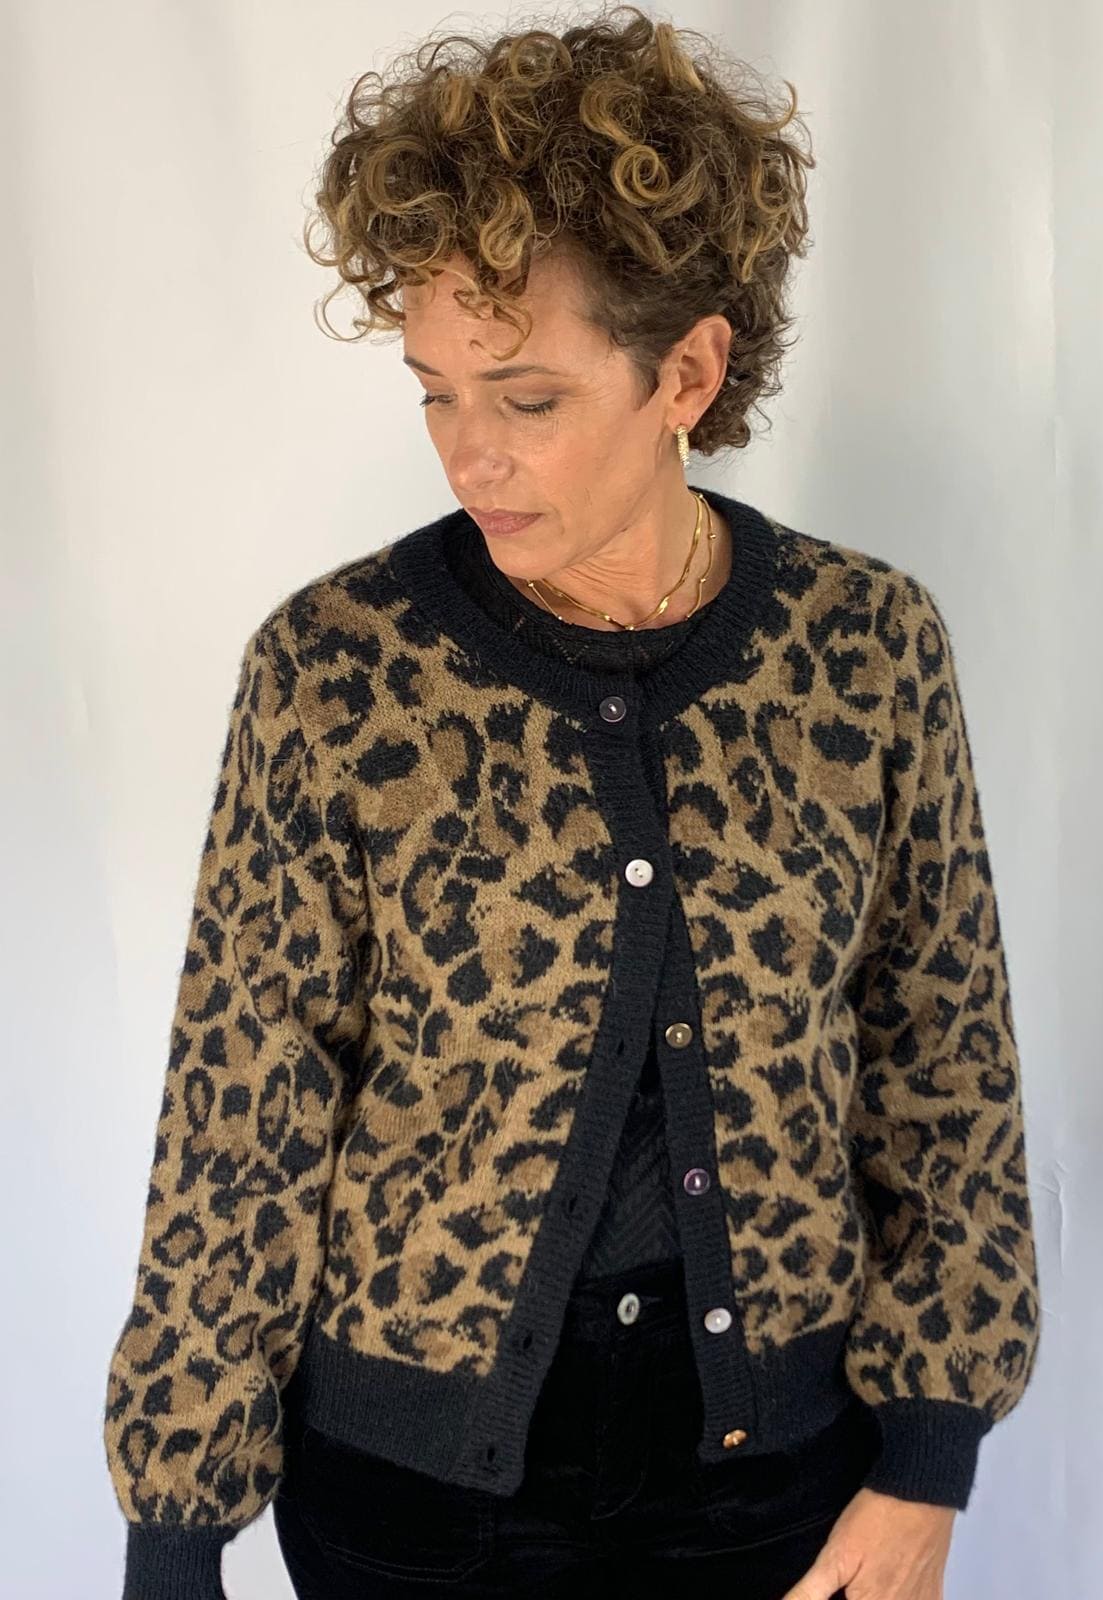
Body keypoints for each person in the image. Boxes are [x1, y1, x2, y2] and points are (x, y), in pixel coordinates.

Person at [101, 8, 1042, 1599]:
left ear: (687, 371)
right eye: (434, 393)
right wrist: (175, 1537)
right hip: (413, 1504)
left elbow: (941, 1060)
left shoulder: (866, 648)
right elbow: (240, 1110)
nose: (467, 456)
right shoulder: (336, 671)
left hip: (774, 1491)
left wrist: (925, 1462)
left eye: (524, 399)